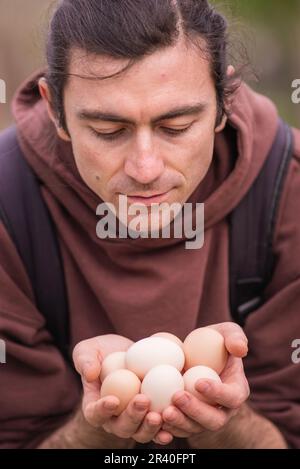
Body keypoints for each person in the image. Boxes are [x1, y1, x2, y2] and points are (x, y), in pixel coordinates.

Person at [0, 0, 299, 449]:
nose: (145, 168)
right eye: (107, 130)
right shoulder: (9, 205)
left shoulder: (288, 188)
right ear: (56, 110)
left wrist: (229, 423)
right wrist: (93, 431)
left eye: (176, 126)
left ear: (222, 104)